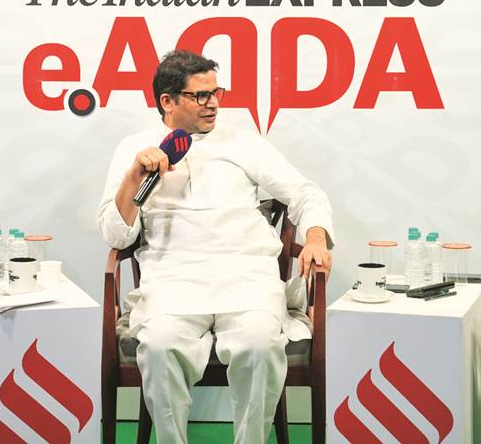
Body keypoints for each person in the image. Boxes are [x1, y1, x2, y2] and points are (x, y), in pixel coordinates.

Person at [97, 49, 334, 444]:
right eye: (201, 95)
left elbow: (306, 193)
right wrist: (134, 176)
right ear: (167, 102)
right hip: (172, 280)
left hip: (246, 278)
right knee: (157, 345)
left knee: (260, 343)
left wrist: (313, 236)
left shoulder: (244, 143)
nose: (214, 104)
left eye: (216, 92)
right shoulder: (135, 148)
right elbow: (116, 235)